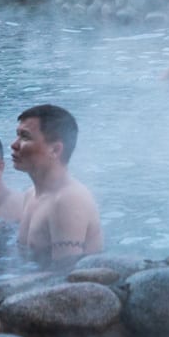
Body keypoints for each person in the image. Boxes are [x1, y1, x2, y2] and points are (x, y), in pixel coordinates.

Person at [11, 104, 102, 268]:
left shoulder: (68, 200)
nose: (14, 145)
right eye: (17, 135)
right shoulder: (30, 195)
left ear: (55, 149)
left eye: (25, 137)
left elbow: (65, 277)